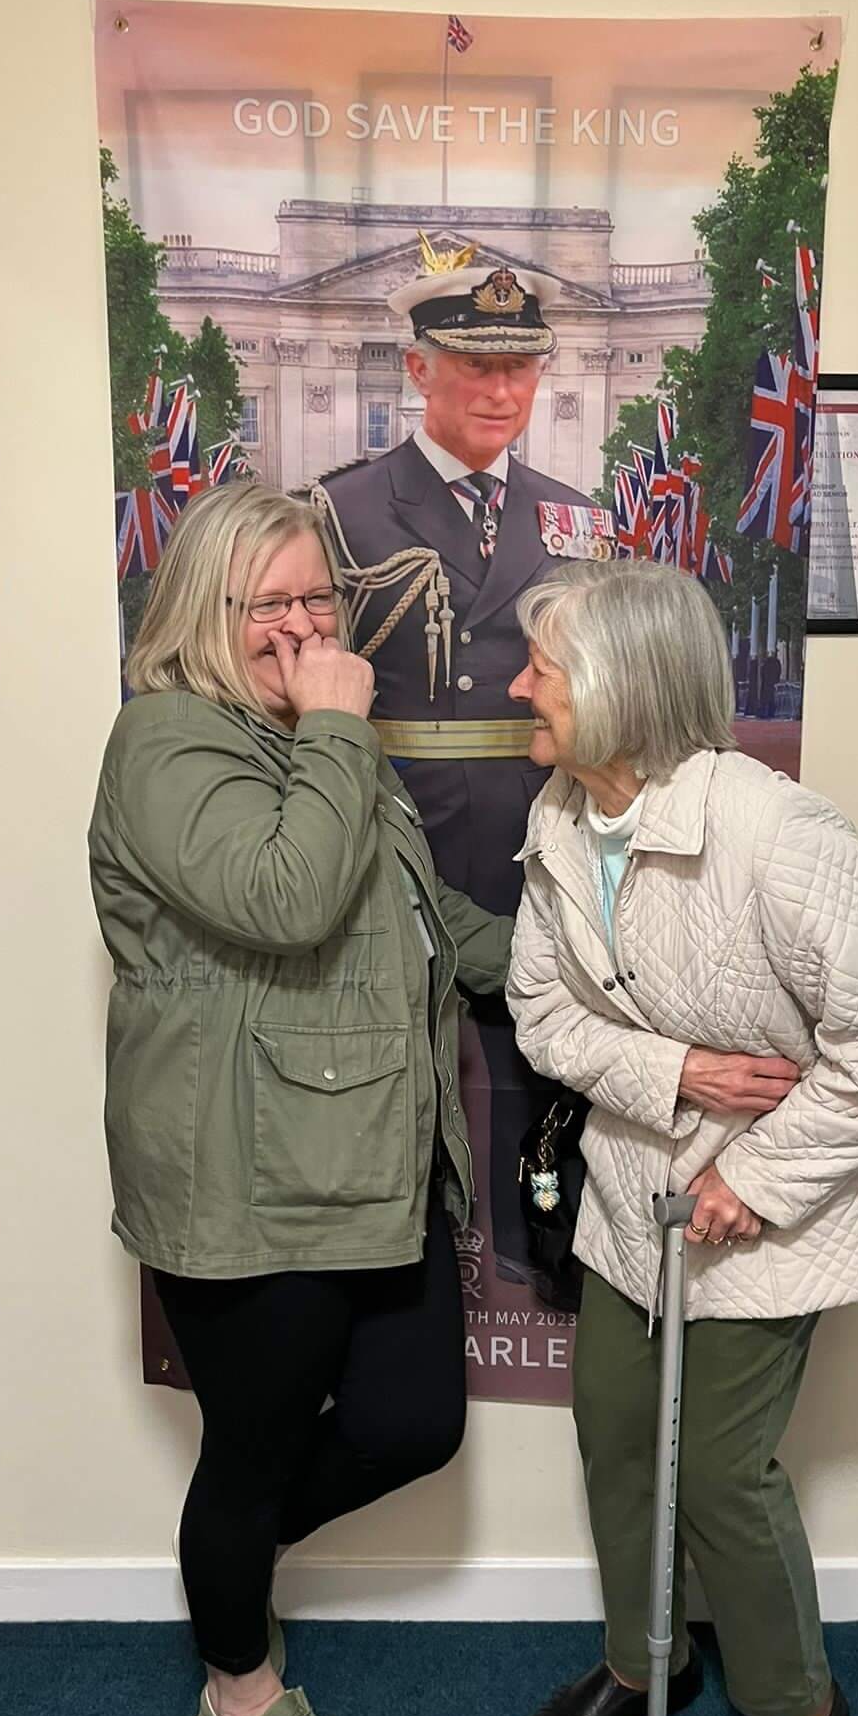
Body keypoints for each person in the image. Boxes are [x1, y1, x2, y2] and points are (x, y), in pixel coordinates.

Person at [88, 483, 514, 1716]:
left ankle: (227, 1568)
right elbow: (284, 897)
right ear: (201, 616)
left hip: (373, 1161)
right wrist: (338, 717)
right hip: (244, 1179)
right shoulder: (163, 742)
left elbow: (415, 910)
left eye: (315, 597)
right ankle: (239, 1694)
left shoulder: (328, 747)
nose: (299, 624)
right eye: (265, 603)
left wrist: (585, 970)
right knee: (253, 1454)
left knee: (413, 1424)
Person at [506, 561, 858, 1716]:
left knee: (719, 1473)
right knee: (617, 1434)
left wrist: (752, 1171)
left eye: (544, 666)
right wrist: (678, 1069)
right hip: (633, 1199)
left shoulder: (777, 832)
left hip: (778, 1207)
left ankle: (800, 1702)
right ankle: (649, 1659)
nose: (515, 682)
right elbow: (542, 1009)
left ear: (624, 688)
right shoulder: (558, 814)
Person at [314, 238, 611, 1299]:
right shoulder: (342, 513)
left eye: (520, 366)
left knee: (548, 1072)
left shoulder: (578, 516)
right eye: (475, 364)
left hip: (543, 838)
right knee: (393, 1073)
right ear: (417, 369)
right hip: (401, 846)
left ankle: (546, 1244)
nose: (500, 389)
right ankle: (406, 1268)